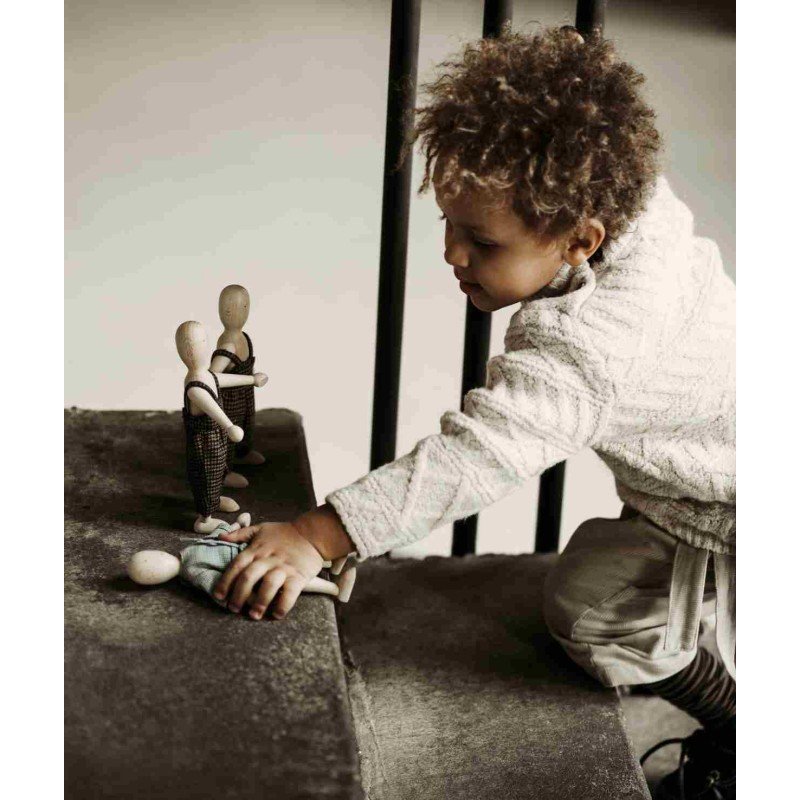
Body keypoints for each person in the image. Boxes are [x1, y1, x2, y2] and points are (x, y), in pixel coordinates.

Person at [212, 28, 735, 799]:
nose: (453, 255)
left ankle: (741, 724)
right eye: (449, 225)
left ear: (580, 240)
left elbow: (473, 458)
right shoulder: (627, 203)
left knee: (624, 621)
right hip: (699, 492)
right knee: (588, 601)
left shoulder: (595, 350)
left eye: (482, 242)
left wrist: (315, 536)